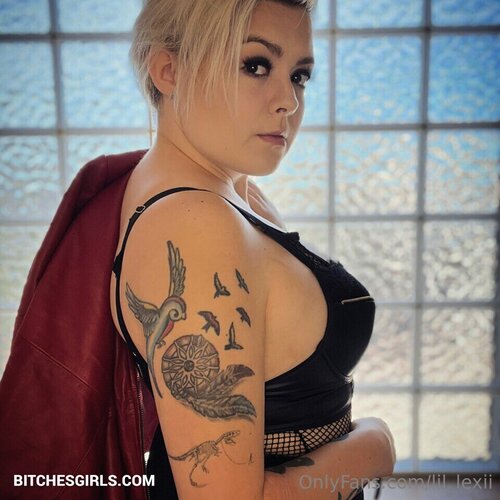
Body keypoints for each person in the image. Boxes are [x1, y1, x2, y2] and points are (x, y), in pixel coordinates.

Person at [114, 0, 397, 498]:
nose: (288, 101)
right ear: (168, 71)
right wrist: (375, 446)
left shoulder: (225, 190)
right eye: (256, 65)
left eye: (300, 76)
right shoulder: (194, 223)